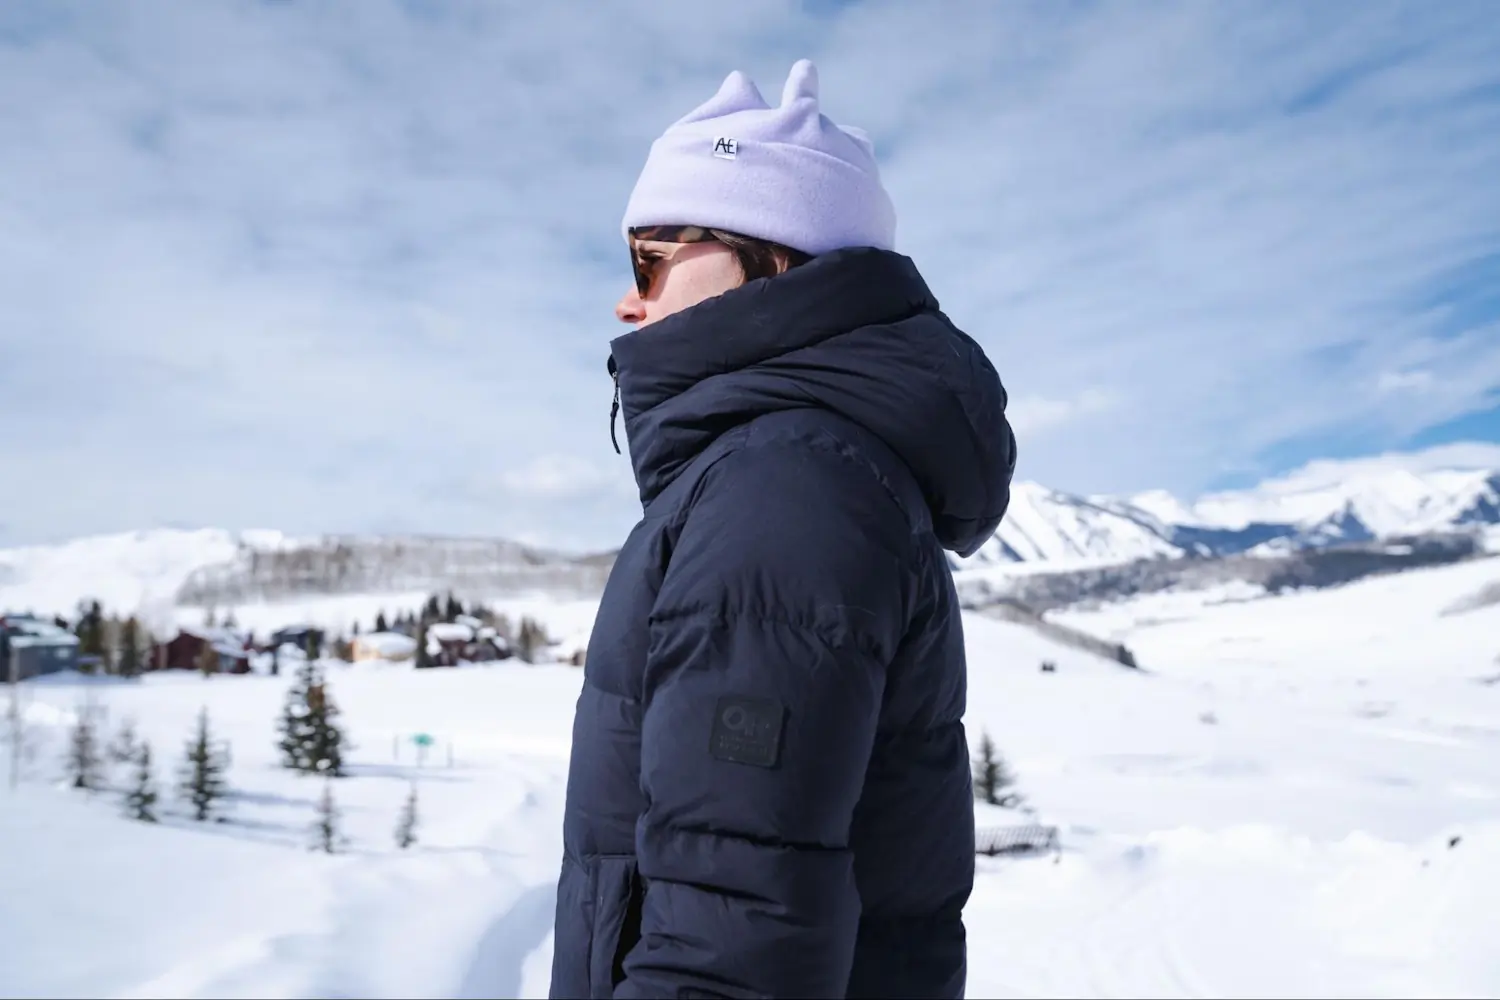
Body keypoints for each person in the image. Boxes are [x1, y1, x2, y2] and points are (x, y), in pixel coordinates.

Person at [551, 59, 1016, 1000]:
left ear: (767, 256)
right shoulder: (793, 471)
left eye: (650, 256)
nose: (626, 297)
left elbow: (732, 946)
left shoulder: (783, 491)